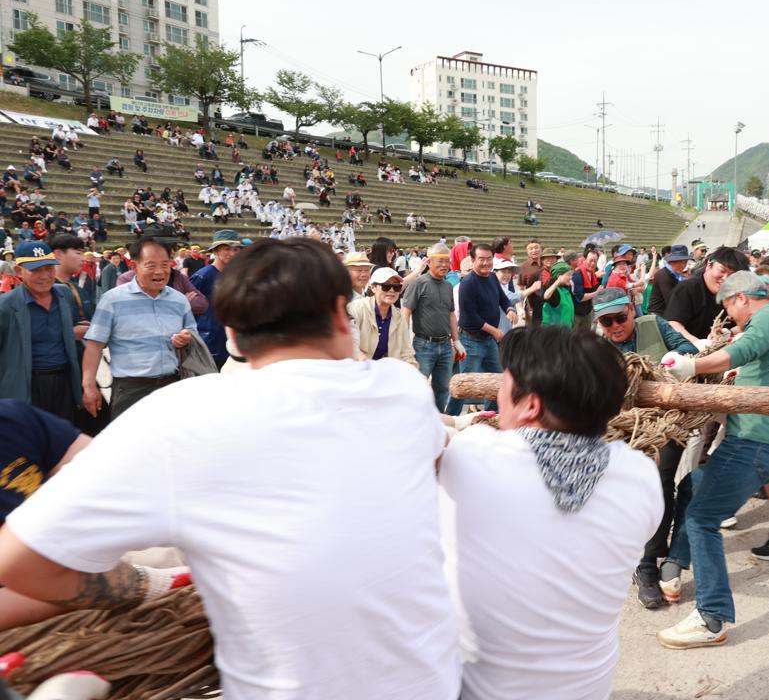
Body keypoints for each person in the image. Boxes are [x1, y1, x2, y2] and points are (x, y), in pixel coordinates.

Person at [0, 238, 461, 699]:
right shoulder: (401, 390)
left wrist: (141, 587)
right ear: (343, 318)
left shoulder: (181, 414)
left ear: (234, 338)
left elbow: (17, 562)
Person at [439, 325, 661, 699]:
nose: (498, 394)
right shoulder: (641, 476)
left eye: (505, 384)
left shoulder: (473, 454)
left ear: (531, 404)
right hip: (587, 690)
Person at [656, 272, 769, 649]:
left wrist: (691, 367)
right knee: (693, 485)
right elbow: (753, 360)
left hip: (753, 442)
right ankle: (674, 566)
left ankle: (711, 616)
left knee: (702, 519)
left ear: (740, 298)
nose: (730, 316)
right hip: (765, 443)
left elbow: (743, 349)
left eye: (728, 306)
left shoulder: (767, 318)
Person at [591, 287, 696, 610]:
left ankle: (648, 563)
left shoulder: (655, 324)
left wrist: (663, 366)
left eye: (620, 318)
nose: (615, 326)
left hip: (666, 423)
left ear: (632, 311)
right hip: (622, 428)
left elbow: (689, 352)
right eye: (607, 321)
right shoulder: (595, 347)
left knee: (660, 482)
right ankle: (641, 555)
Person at [82, 237, 198, 419]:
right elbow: (94, 345)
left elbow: (193, 336)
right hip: (131, 390)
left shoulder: (179, 300)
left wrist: (186, 338)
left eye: (165, 264)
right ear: (134, 266)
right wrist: (89, 386)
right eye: (151, 265)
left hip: (172, 388)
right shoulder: (112, 300)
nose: (159, 271)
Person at [0, 242, 86, 419]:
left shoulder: (64, 294)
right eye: (36, 270)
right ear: (19, 271)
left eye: (49, 269)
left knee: (63, 430)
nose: (44, 276)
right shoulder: (6, 306)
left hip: (64, 382)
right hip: (26, 384)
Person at [446, 242, 516, 416]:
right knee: (465, 383)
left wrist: (510, 309)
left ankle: (490, 416)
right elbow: (471, 317)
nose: (486, 263)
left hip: (488, 340)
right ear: (473, 260)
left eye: (489, 259)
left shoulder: (492, 277)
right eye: (481, 259)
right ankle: (450, 418)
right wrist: (495, 331)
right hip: (471, 340)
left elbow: (502, 298)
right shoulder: (467, 283)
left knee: (497, 379)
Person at [401, 243, 461, 413]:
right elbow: (406, 312)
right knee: (418, 388)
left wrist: (456, 341)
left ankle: (439, 420)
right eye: (440, 261)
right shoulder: (418, 283)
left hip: (446, 345)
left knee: (442, 390)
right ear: (429, 262)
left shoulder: (448, 285)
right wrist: (404, 343)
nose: (445, 265)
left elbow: (451, 314)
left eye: (447, 261)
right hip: (423, 345)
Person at [665, 246, 750, 345]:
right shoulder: (688, 288)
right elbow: (673, 323)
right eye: (722, 271)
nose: (725, 278)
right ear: (709, 265)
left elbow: (747, 322)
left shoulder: (737, 293)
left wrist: (729, 332)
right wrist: (699, 344)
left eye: (732, 275)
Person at [188, 230, 245, 369]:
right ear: (216, 251)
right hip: (210, 342)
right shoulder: (203, 276)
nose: (232, 253)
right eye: (227, 249)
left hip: (233, 341)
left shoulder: (237, 276)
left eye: (236, 250)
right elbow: (188, 307)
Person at [349, 267, 416, 365]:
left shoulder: (399, 317)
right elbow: (348, 344)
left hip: (385, 370)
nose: (392, 290)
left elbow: (406, 352)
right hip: (358, 368)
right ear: (373, 288)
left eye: (397, 286)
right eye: (386, 286)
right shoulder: (356, 309)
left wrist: (412, 369)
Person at [646, 246, 690, 316]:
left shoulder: (677, 274)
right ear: (672, 261)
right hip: (658, 316)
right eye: (681, 262)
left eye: (685, 262)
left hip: (667, 313)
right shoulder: (664, 275)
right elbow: (672, 300)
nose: (683, 265)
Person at [571, 250, 601, 328]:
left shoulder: (592, 274)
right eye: (591, 260)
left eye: (595, 261)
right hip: (576, 314)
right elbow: (580, 298)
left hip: (587, 312)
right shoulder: (577, 275)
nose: (593, 263)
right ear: (585, 260)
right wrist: (597, 292)